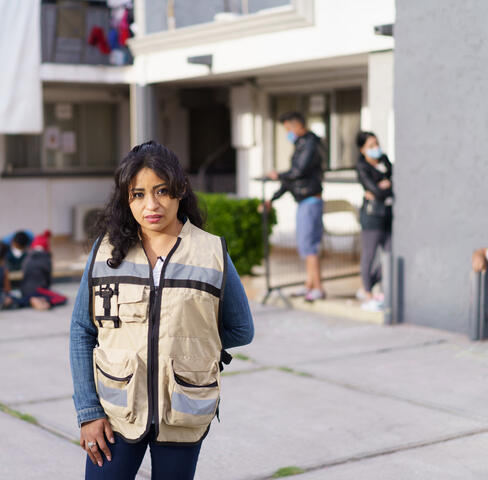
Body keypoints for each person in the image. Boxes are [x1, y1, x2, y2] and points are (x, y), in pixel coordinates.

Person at [70, 141, 254, 480]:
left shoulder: (211, 253)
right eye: (138, 194)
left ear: (180, 190)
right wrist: (88, 412)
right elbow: (82, 330)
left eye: (162, 191)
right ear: (126, 198)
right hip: (114, 415)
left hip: (183, 410)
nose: (150, 205)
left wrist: (193, 351)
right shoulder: (106, 251)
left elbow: (241, 329)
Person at [265, 111, 326, 302]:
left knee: (310, 245)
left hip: (310, 200)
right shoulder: (301, 144)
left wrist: (279, 175)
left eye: (288, 129)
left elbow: (297, 172)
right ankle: (309, 284)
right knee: (305, 245)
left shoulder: (309, 143)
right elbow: (291, 180)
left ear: (298, 126)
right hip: (304, 201)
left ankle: (318, 287)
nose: (288, 134)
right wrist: (273, 198)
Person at [355, 131, 393, 311]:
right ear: (362, 149)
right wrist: (383, 187)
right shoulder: (362, 166)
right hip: (371, 216)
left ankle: (377, 284)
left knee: (389, 253)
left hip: (388, 214)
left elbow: (394, 182)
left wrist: (384, 187)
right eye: (370, 146)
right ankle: (367, 290)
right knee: (369, 255)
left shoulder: (384, 160)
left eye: (376, 144)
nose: (375, 148)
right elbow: (375, 191)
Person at [20, 230, 68, 310]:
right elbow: (48, 279)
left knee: (38, 294)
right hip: (38, 288)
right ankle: (44, 302)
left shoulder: (27, 257)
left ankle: (32, 299)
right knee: (62, 298)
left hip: (24, 289)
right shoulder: (46, 258)